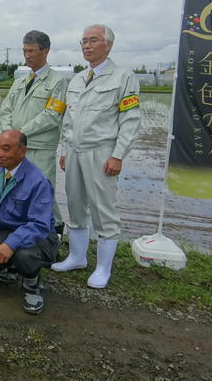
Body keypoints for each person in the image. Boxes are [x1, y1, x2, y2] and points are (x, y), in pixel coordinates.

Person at [52, 24, 141, 289]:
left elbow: (131, 120)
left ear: (109, 45)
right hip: (75, 152)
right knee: (75, 204)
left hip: (102, 153)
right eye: (83, 41)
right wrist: (66, 150)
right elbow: (68, 121)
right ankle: (78, 257)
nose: (87, 46)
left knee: (103, 209)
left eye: (93, 40)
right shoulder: (78, 79)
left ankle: (103, 268)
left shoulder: (123, 77)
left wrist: (118, 155)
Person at [0, 130, 60, 315]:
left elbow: (39, 225)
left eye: (6, 149)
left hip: (38, 236)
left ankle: (32, 284)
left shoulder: (38, 181)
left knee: (24, 255)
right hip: (3, 231)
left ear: (23, 151)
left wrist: (11, 244)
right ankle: (10, 266)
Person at [0, 30, 68, 235]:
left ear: (45, 51)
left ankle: (53, 230)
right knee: (17, 189)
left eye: (31, 51)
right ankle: (21, 228)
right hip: (15, 148)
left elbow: (52, 115)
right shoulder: (20, 81)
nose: (27, 55)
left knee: (43, 190)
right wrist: (8, 136)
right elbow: (5, 109)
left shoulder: (57, 82)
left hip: (39, 147)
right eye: (24, 51)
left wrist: (20, 134)